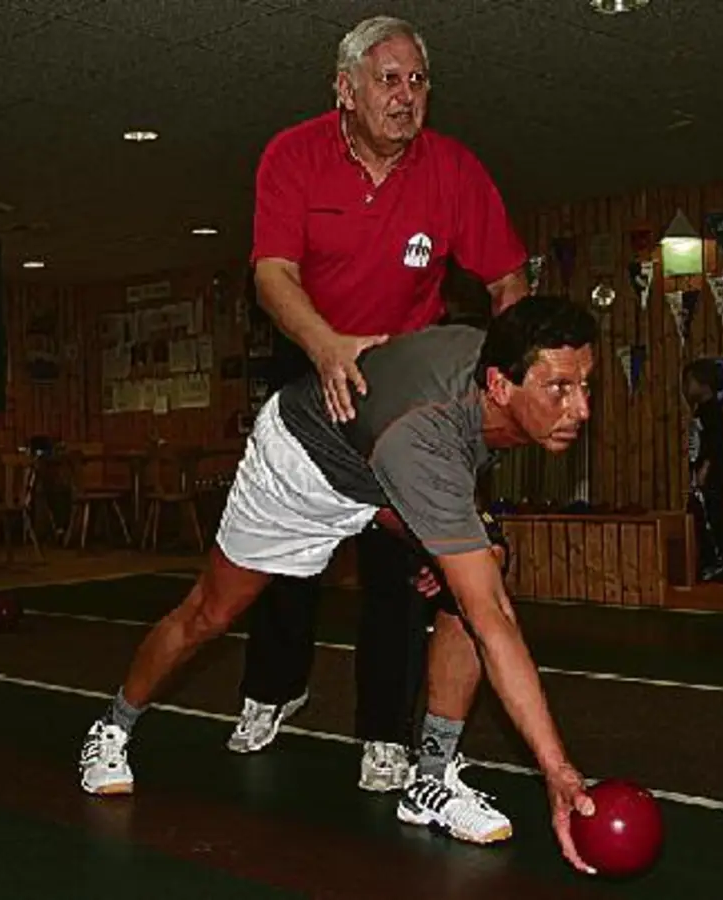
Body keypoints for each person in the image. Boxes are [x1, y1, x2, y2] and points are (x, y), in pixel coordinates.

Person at [78, 296, 600, 874]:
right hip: (299, 466)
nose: (580, 407)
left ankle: (428, 782)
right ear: (500, 385)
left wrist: (466, 548)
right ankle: (112, 726)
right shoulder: (422, 433)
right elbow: (494, 615)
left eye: (585, 385)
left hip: (376, 472)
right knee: (210, 614)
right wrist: (557, 770)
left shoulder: (489, 370)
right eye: (559, 388)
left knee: (476, 576)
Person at [235, 14, 530, 791]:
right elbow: (272, 274)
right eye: (388, 79)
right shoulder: (292, 155)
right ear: (346, 89)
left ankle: (385, 736)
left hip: (409, 379)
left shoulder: (454, 170)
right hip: (313, 358)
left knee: (401, 562)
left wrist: (505, 375)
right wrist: (327, 344)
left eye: (417, 80)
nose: (405, 96)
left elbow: (507, 281)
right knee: (290, 554)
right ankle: (273, 686)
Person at [683, 359, 723, 584]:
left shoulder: (712, 413)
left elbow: (717, 444)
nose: (687, 388)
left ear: (704, 384)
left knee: (715, 515)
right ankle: (711, 561)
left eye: (691, 382)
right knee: (700, 516)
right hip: (702, 473)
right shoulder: (701, 411)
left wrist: (705, 470)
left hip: (712, 474)